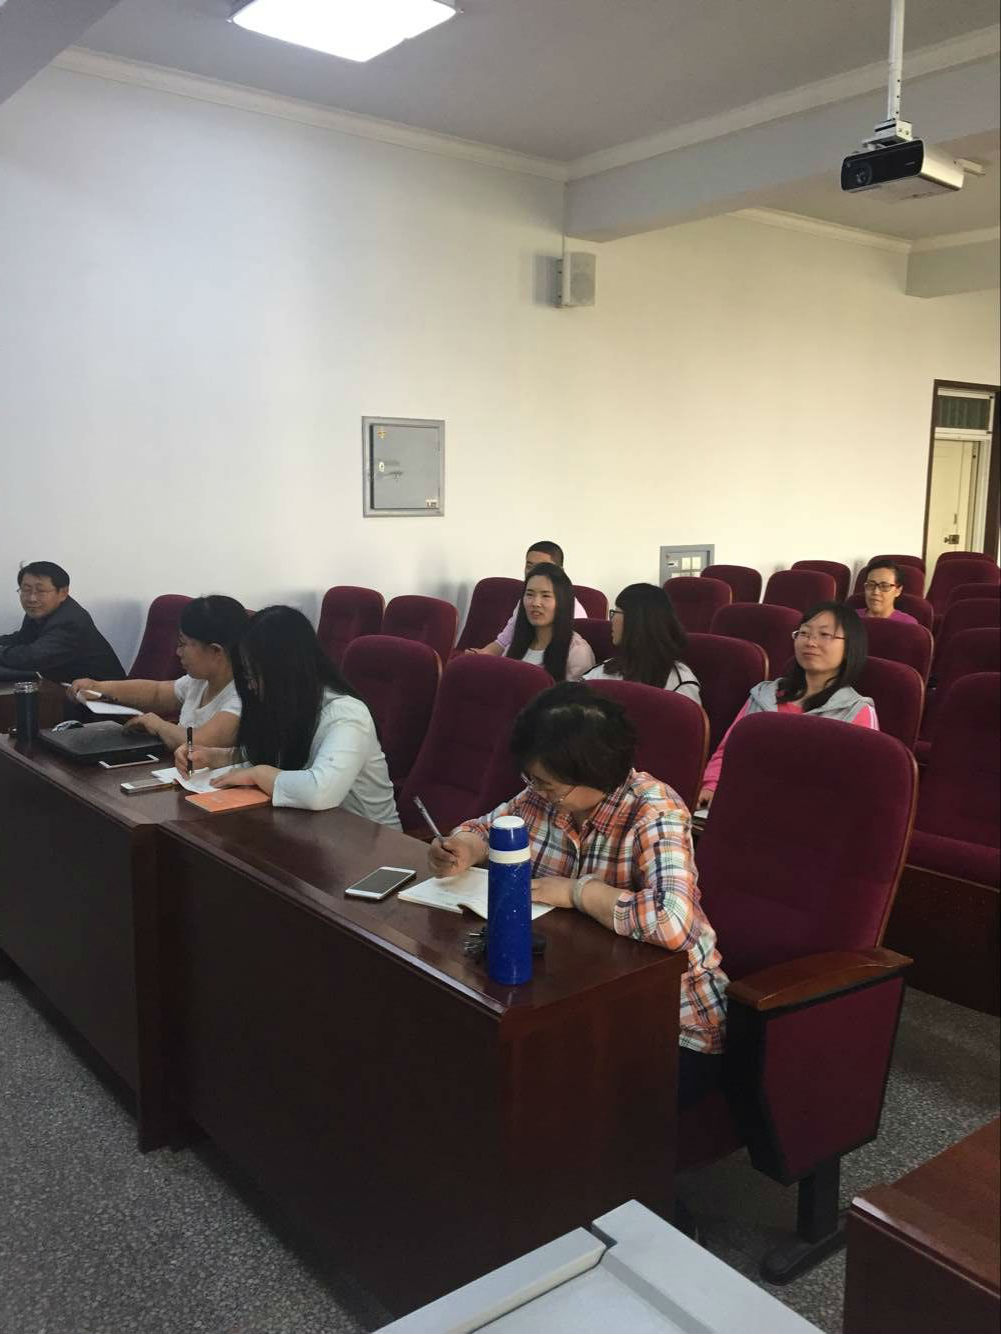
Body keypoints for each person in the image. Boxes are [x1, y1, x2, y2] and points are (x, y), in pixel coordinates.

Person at [427, 682, 728, 1102]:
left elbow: (673, 920)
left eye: (547, 784)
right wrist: (463, 847)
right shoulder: (546, 795)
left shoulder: (654, 811)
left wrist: (577, 893)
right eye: (532, 779)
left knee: (530, 1090)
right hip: (576, 991)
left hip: (669, 1025)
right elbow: (488, 828)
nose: (537, 791)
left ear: (595, 773)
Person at [177, 605, 400, 825]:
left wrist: (257, 774)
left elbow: (319, 791)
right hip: (312, 827)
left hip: (367, 839)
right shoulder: (293, 702)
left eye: (254, 675)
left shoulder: (347, 715)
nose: (251, 685)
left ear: (281, 670)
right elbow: (272, 753)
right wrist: (215, 757)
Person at [697, 601, 877, 809]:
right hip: (743, 801)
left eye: (824, 635)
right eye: (804, 633)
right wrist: (711, 786)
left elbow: (857, 787)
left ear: (849, 647)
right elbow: (728, 749)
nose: (810, 642)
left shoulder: (857, 711)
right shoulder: (764, 694)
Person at [69, 595, 248, 751]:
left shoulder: (241, 695)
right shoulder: (201, 680)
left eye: (183, 644)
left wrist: (158, 725)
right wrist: (97, 687)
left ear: (215, 651)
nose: (178, 652)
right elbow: (157, 693)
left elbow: (201, 743)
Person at [0, 561, 125, 683]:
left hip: (101, 692)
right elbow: (22, 639)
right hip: (65, 687)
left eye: (41, 591)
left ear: (63, 593)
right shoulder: (39, 612)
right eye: (26, 590)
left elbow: (33, 657)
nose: (32, 598)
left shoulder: (71, 621)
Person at [584, 582, 701, 702]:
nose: (611, 620)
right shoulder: (605, 670)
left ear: (635, 621)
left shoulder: (680, 685)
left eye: (616, 612)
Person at [466, 540, 587, 655]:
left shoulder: (574, 613)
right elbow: (503, 642)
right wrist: (482, 655)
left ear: (560, 572)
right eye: (529, 566)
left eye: (543, 567)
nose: (533, 572)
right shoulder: (527, 600)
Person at [506, 564, 595, 681]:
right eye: (530, 594)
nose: (535, 603)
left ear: (562, 601)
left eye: (545, 596)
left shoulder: (577, 652)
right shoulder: (515, 644)